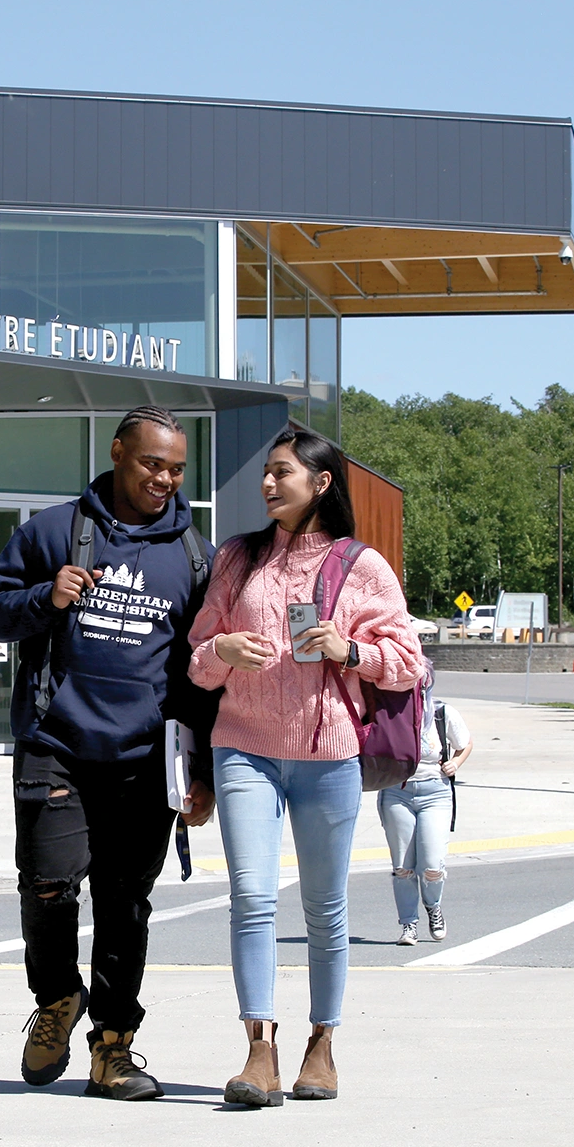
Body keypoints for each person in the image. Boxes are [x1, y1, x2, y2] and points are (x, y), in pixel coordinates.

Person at [0, 406, 217, 1101]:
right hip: (57, 746)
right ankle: (56, 997)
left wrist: (199, 771)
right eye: (151, 464)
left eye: (176, 468)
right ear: (117, 453)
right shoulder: (54, 531)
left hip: (145, 759)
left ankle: (114, 1050)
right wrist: (45, 598)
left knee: (124, 905)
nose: (164, 478)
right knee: (47, 886)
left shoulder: (195, 557)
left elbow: (199, 673)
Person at [188, 427, 422, 1108]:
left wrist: (351, 651)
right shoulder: (237, 559)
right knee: (253, 899)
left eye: (281, 473)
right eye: (265, 472)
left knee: (325, 907)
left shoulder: (362, 567)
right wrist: (223, 647)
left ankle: (322, 1044)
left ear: (320, 484)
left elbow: (408, 662)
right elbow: (197, 661)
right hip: (244, 748)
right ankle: (259, 1048)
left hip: (329, 759)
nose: (266, 484)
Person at [379, 663, 473, 945]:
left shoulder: (442, 713)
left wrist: (455, 763)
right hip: (397, 792)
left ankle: (433, 907)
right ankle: (409, 925)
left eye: (418, 683)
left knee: (431, 864)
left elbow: (465, 743)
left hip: (435, 793)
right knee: (403, 866)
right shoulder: (390, 714)